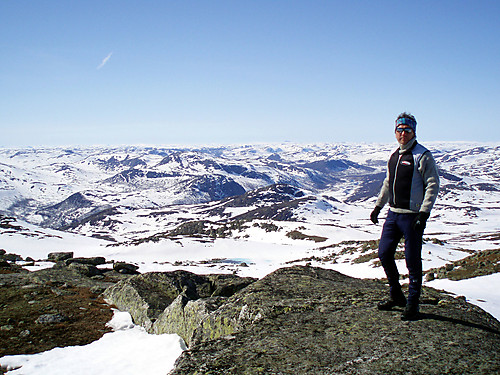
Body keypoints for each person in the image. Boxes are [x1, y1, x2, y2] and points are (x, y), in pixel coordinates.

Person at [370, 112, 440, 321]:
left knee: (412, 260)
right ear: (395, 132)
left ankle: (413, 303)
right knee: (384, 253)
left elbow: (432, 185)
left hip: (411, 217)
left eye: (407, 130)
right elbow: (387, 183)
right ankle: (396, 295)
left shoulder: (422, 155)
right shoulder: (395, 155)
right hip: (393, 214)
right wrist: (378, 206)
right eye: (399, 130)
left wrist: (424, 213)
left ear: (413, 132)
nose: (403, 134)